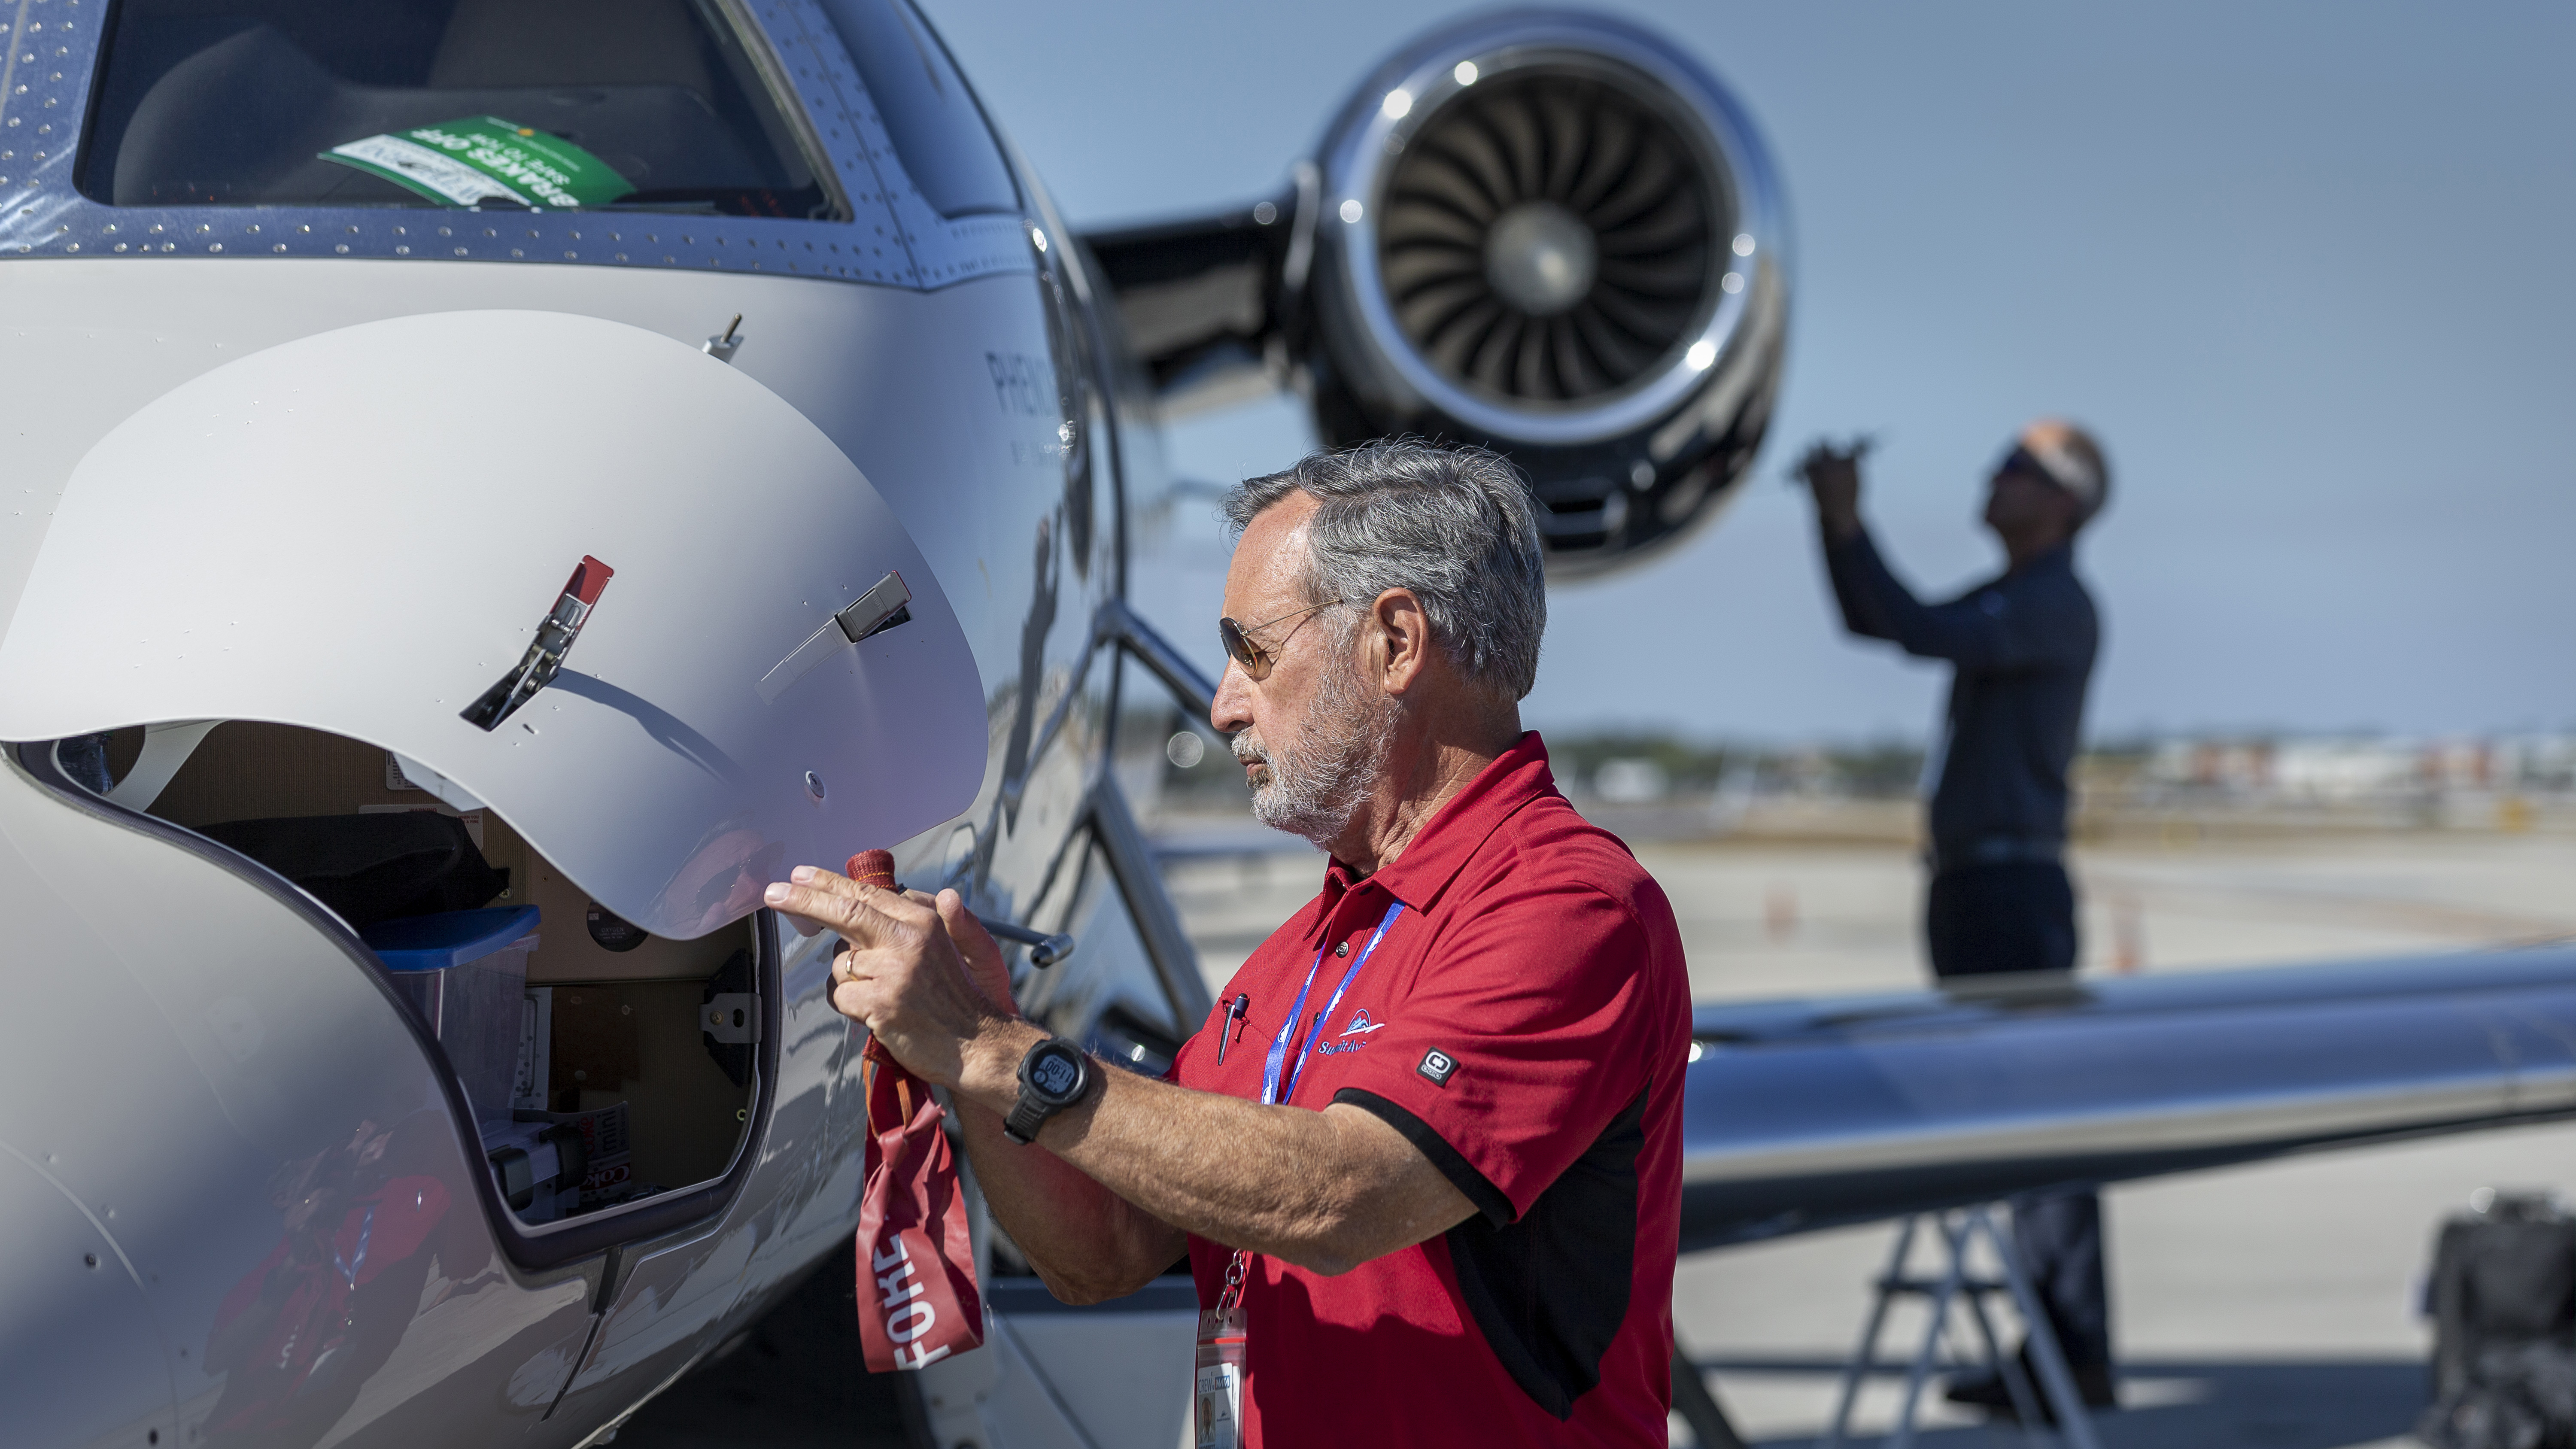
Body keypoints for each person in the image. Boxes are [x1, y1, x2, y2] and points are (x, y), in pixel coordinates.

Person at [768, 439, 1692, 1447]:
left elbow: (1347, 1194)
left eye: (1253, 651)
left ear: (1394, 642)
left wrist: (993, 1047)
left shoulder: (1569, 908)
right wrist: (974, 1059)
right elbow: (1103, 1251)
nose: (1222, 703)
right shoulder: (1307, 949)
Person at [1799, 421, 2116, 1414]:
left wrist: (1848, 518)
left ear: (2065, 502)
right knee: (2020, 1118)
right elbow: (1883, 619)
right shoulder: (2022, 599)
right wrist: (1836, 525)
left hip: (2011, 892)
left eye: (2017, 469)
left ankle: (2072, 1348)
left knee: (2042, 1124)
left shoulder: (2052, 603)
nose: (1994, 476)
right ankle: (2060, 1348)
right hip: (1984, 886)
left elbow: (1912, 627)